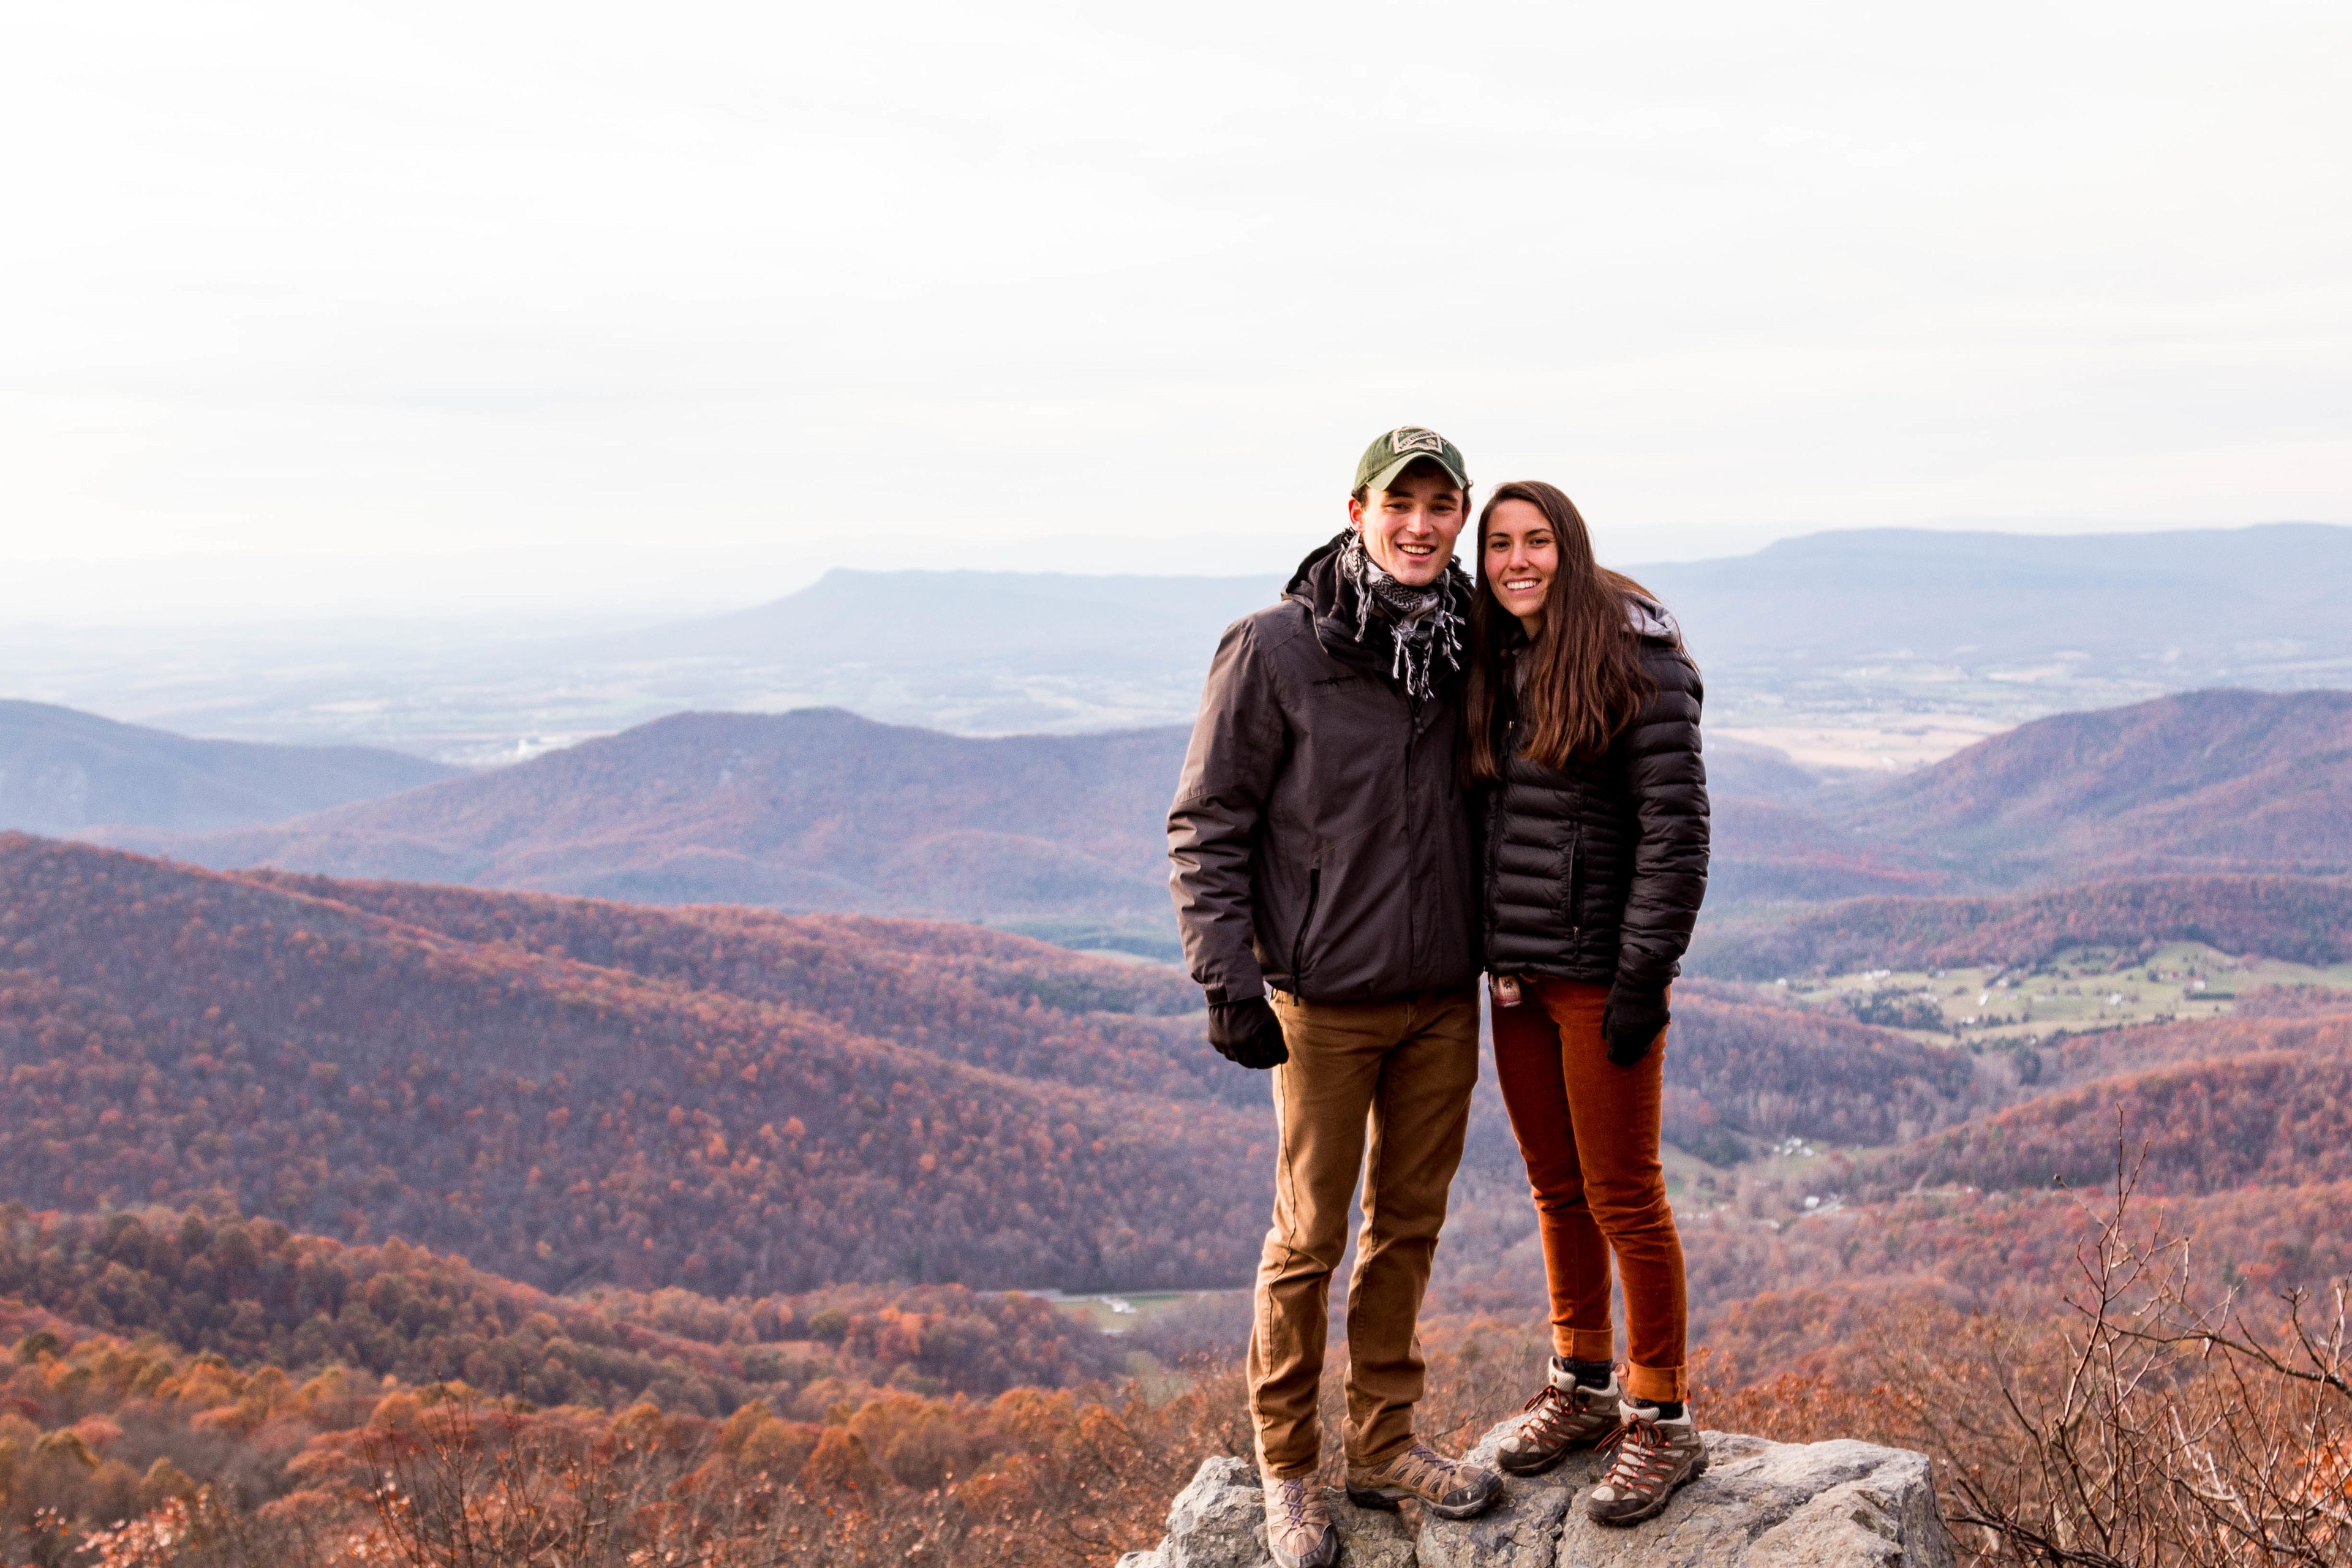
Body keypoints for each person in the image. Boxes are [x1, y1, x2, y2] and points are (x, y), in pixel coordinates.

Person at [1168, 427, 1504, 1568]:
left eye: (1441, 506)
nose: (1420, 526)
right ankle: (1288, 1472)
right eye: (1399, 503)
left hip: (1442, 999)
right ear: (1356, 509)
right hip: (1322, 1000)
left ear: (1460, 517)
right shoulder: (1275, 647)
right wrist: (1228, 980)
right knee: (1309, 1238)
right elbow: (1206, 823)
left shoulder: (1472, 645)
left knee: (1409, 1230)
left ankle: (1384, 1442)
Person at [1463, 479, 1711, 1526]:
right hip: (1519, 981)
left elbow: (1676, 836)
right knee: (1556, 1190)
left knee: (1626, 1198)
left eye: (1536, 542)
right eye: (1500, 546)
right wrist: (1499, 951)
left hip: (1604, 977)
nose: (1517, 560)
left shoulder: (1637, 661)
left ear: (1570, 546)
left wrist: (1642, 979)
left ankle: (1660, 1419)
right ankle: (1581, 1381)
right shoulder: (1500, 657)